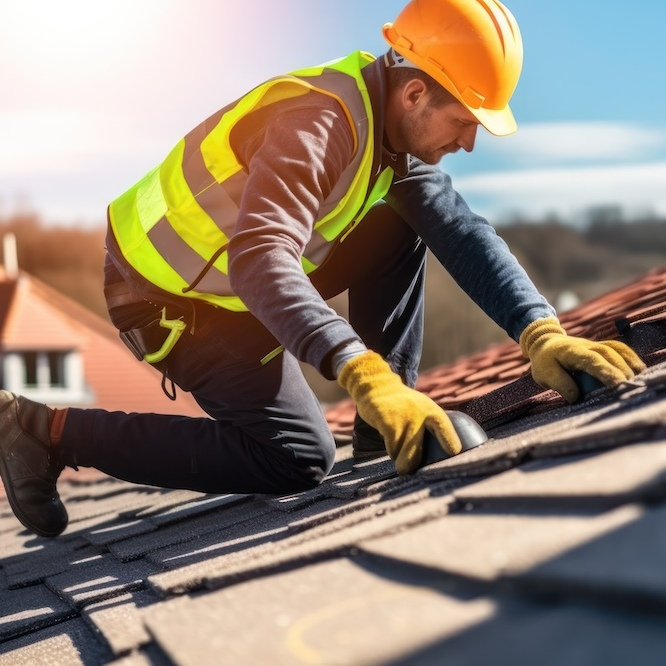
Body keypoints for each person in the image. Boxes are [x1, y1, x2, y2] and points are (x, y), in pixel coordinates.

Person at [0, 0, 645, 538]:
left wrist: (541, 332)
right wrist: (361, 372)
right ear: (416, 91)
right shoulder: (318, 122)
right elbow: (259, 260)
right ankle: (44, 430)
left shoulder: (392, 132)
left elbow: (463, 231)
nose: (469, 142)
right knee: (299, 458)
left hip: (240, 285)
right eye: (465, 122)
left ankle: (381, 429)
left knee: (410, 219)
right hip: (171, 301)